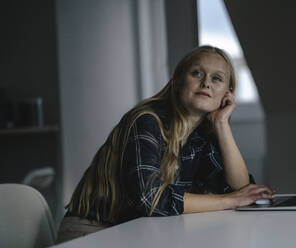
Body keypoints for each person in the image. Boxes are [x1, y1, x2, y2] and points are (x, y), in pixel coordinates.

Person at [56, 45, 273, 243]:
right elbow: (150, 199)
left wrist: (222, 123)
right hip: (91, 232)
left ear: (227, 94)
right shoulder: (146, 121)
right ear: (177, 82)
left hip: (136, 232)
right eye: (196, 73)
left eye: (217, 78)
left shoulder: (201, 137)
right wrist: (229, 201)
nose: (206, 82)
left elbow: (241, 190)